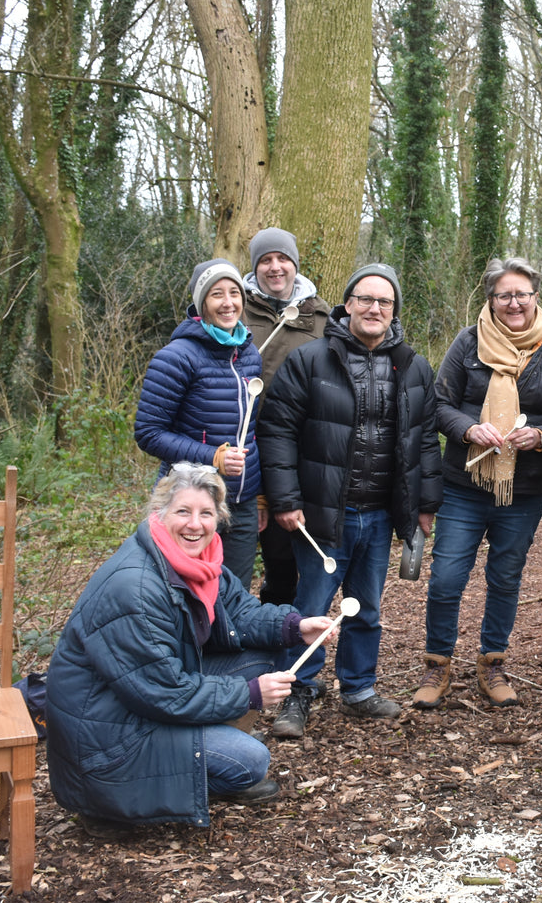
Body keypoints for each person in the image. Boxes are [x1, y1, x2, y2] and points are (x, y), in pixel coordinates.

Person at [46, 464, 341, 835]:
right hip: (108, 742)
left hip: (144, 701)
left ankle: (200, 753)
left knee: (269, 653)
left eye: (206, 513)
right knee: (250, 762)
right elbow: (163, 692)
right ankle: (112, 806)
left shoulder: (200, 561)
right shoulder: (136, 588)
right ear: (159, 514)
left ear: (219, 518)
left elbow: (240, 612)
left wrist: (295, 627)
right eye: (183, 511)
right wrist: (248, 694)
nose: (195, 524)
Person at [258, 262, 442, 736]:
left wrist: (425, 504)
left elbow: (424, 439)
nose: (374, 308)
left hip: (379, 513)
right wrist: (285, 499)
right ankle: (298, 691)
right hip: (321, 514)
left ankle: (359, 689)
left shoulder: (414, 366)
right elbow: (277, 430)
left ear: (394, 310)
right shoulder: (309, 360)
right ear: (348, 305)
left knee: (367, 608)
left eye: (384, 301)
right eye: (365, 299)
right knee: (311, 607)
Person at [414, 257, 542, 709]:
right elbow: (438, 405)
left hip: (524, 491)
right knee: (446, 578)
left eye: (522, 294)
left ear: (536, 296)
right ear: (491, 298)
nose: (514, 303)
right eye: (505, 294)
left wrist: (541, 437)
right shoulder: (468, 343)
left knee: (505, 577)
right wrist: (468, 428)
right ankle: (437, 663)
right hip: (463, 486)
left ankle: (493, 663)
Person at [135, 259, 264, 588]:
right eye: (216, 294)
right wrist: (213, 457)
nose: (228, 302)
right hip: (189, 502)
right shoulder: (176, 357)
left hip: (241, 503)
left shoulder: (249, 355)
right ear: (201, 303)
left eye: (234, 293)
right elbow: (148, 433)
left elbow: (251, 431)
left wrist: (260, 494)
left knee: (233, 594)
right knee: (185, 594)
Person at [241, 227, 333, 607]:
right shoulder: (236, 309)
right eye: (266, 260)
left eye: (282, 259)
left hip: (303, 450)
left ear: (295, 264)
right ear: (255, 267)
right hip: (246, 449)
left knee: (295, 549)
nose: (275, 267)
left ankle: (293, 623)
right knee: (255, 551)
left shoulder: (322, 316)